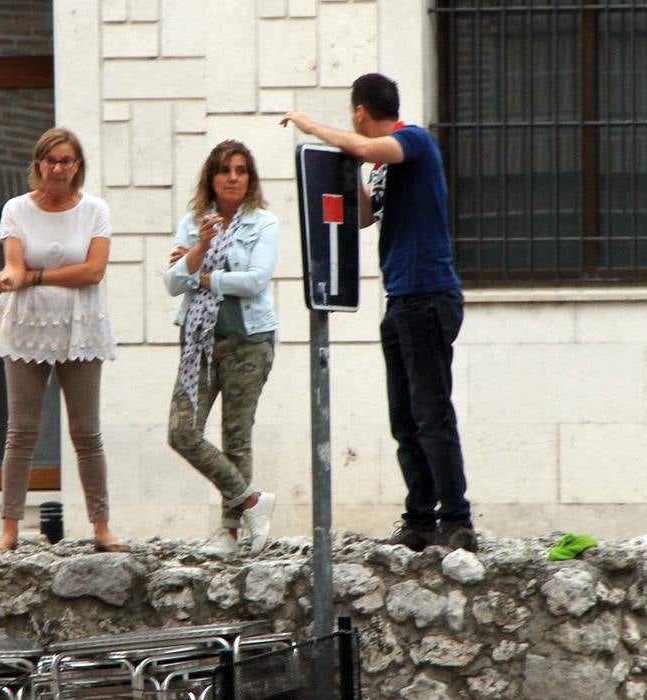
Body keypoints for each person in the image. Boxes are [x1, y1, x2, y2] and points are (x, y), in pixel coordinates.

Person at [281, 73, 477, 552]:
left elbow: (370, 149)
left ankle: (457, 520)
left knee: (432, 414)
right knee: (405, 419)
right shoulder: (381, 163)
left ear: (359, 112)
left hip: (428, 296)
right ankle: (420, 519)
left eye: (354, 119)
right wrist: (348, 172)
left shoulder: (413, 141)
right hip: (401, 299)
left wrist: (311, 127)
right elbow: (367, 215)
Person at [0, 128, 128, 553]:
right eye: (51, 160)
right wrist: (10, 278)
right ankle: (9, 529)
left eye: (67, 161)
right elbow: (14, 265)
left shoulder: (95, 210)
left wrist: (36, 277)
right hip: (27, 328)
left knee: (87, 432)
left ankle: (101, 528)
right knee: (22, 433)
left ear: (77, 166)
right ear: (38, 165)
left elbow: (93, 271)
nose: (58, 168)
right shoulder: (16, 209)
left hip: (81, 327)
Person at [164, 140, 279, 558]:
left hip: (249, 343)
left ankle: (230, 534)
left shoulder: (263, 223)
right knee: (181, 432)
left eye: (242, 170)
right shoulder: (193, 223)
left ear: (250, 179)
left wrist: (204, 273)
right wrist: (197, 251)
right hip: (199, 342)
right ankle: (250, 499)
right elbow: (172, 282)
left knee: (237, 438)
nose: (234, 177)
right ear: (211, 178)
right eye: (225, 170)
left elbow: (255, 280)